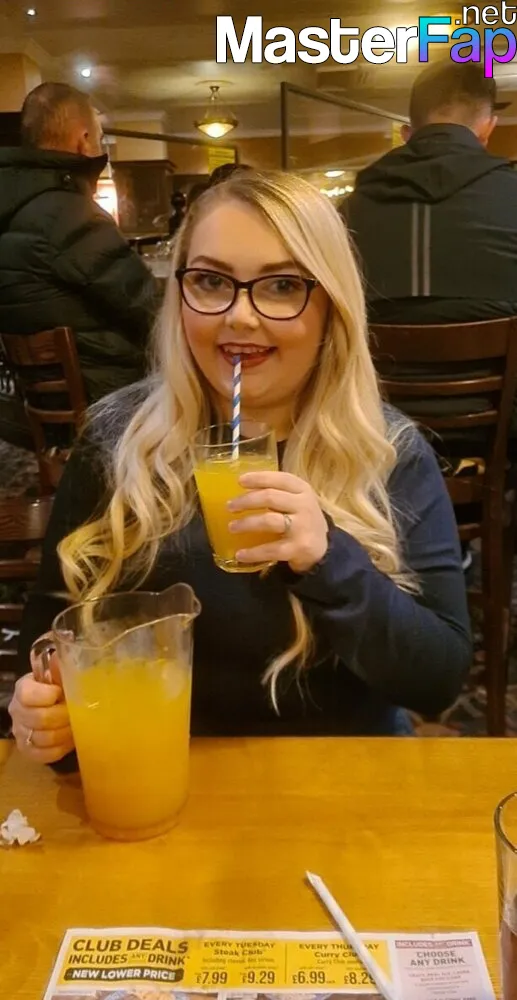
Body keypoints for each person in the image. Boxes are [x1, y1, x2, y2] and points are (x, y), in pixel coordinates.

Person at [8, 170, 472, 766]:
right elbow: (51, 636)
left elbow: (438, 680)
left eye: (281, 286)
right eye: (211, 281)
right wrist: (47, 710)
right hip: (158, 773)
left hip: (346, 777)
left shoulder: (388, 450)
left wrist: (329, 560)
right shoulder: (116, 442)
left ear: (331, 307)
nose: (241, 317)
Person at [0, 82, 159, 403]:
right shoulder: (70, 214)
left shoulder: (15, 204)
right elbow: (148, 306)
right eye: (99, 138)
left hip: (38, 397)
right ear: (84, 141)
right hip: (107, 393)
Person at [342, 60, 517, 326]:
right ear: (487, 128)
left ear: (407, 133)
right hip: (502, 354)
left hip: (377, 355)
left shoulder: (348, 210)